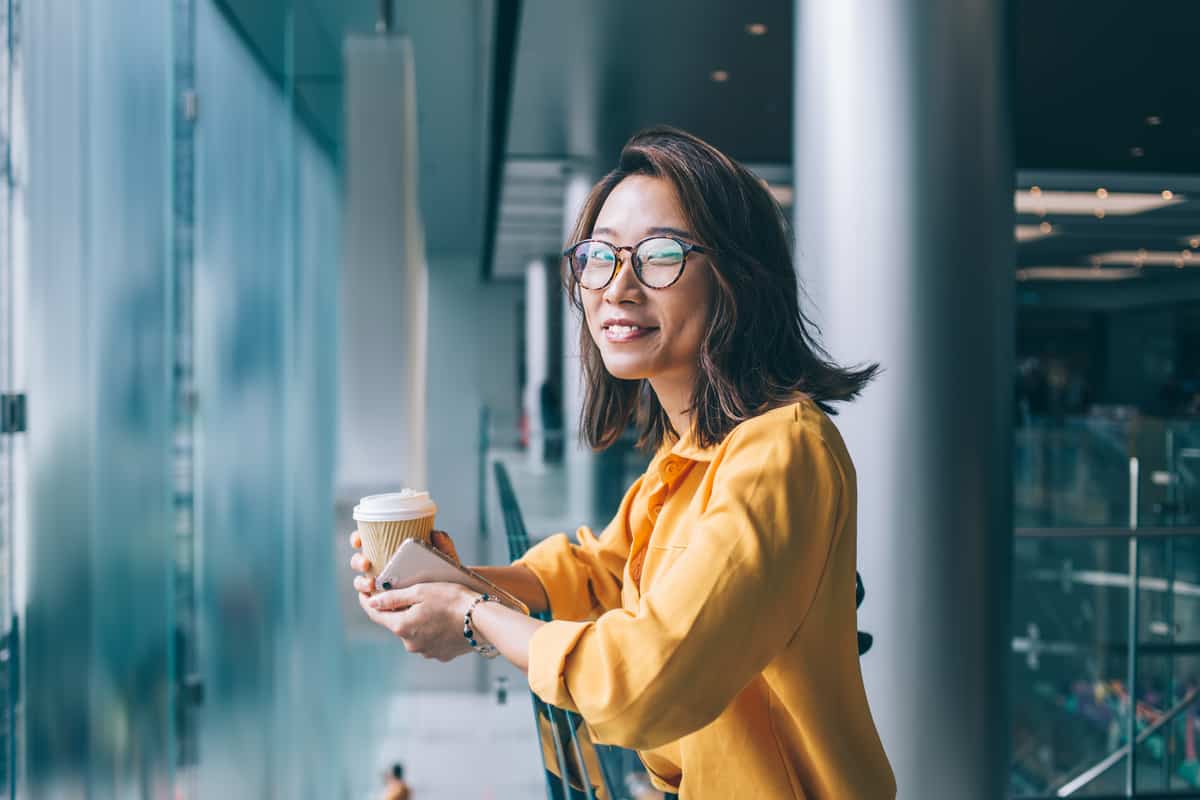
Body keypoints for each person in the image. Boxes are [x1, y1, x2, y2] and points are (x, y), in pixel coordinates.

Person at [351, 127, 897, 798]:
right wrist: (454, 580)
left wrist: (468, 617)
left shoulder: (780, 450)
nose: (619, 286)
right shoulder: (693, 448)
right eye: (599, 257)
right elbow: (605, 570)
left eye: (661, 254)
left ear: (737, 278)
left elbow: (644, 680)